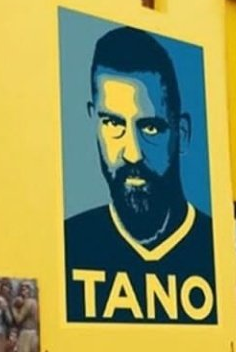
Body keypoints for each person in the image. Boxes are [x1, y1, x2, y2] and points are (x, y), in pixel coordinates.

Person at [64, 26, 216, 324]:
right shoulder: (72, 240)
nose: (132, 153)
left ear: (182, 133)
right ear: (92, 124)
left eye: (150, 127)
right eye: (113, 124)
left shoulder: (210, 244)